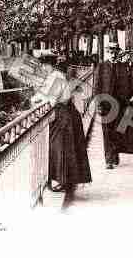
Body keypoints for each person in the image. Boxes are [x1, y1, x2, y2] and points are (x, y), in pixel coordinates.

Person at [36, 61, 92, 192]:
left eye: (45, 65)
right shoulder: (53, 77)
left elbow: (52, 99)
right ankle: (63, 179)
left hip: (65, 115)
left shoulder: (57, 77)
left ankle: (64, 179)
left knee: (60, 147)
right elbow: (45, 92)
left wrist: (38, 99)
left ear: (50, 65)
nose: (43, 67)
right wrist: (38, 97)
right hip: (64, 114)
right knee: (62, 146)